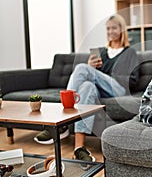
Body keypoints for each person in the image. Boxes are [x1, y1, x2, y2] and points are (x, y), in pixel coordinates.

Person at [34, 14, 139, 169]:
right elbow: (94, 79)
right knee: (87, 87)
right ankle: (79, 148)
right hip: (101, 88)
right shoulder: (102, 51)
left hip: (119, 89)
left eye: (114, 28)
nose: (110, 31)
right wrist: (93, 67)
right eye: (108, 28)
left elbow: (134, 80)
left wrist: (103, 74)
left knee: (82, 68)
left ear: (122, 29)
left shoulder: (130, 52)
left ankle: (62, 120)